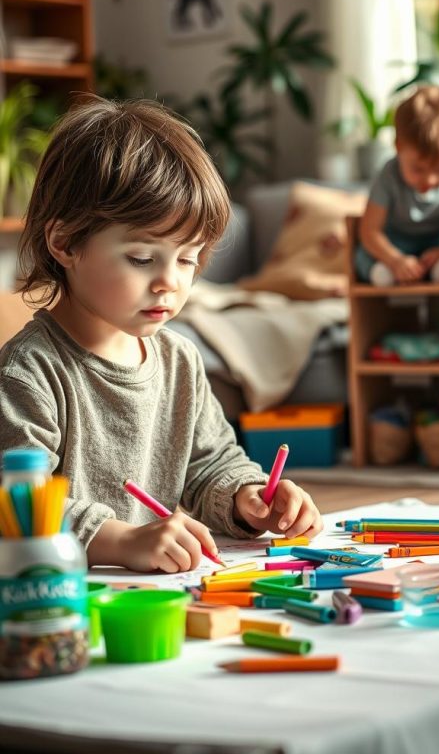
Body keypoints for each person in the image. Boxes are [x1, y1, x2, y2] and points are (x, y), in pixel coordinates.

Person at [0, 98, 322, 571]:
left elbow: (212, 463)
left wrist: (248, 498)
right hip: (53, 603)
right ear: (65, 243)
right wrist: (122, 540)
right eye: (142, 258)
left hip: (151, 596)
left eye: (188, 259)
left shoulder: (178, 360)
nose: (170, 282)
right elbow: (19, 506)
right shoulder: (29, 373)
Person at [355, 84, 439, 286]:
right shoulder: (388, 175)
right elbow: (369, 231)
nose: (430, 180)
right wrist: (394, 259)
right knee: (363, 256)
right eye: (418, 169)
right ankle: (385, 273)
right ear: (398, 147)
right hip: (395, 244)